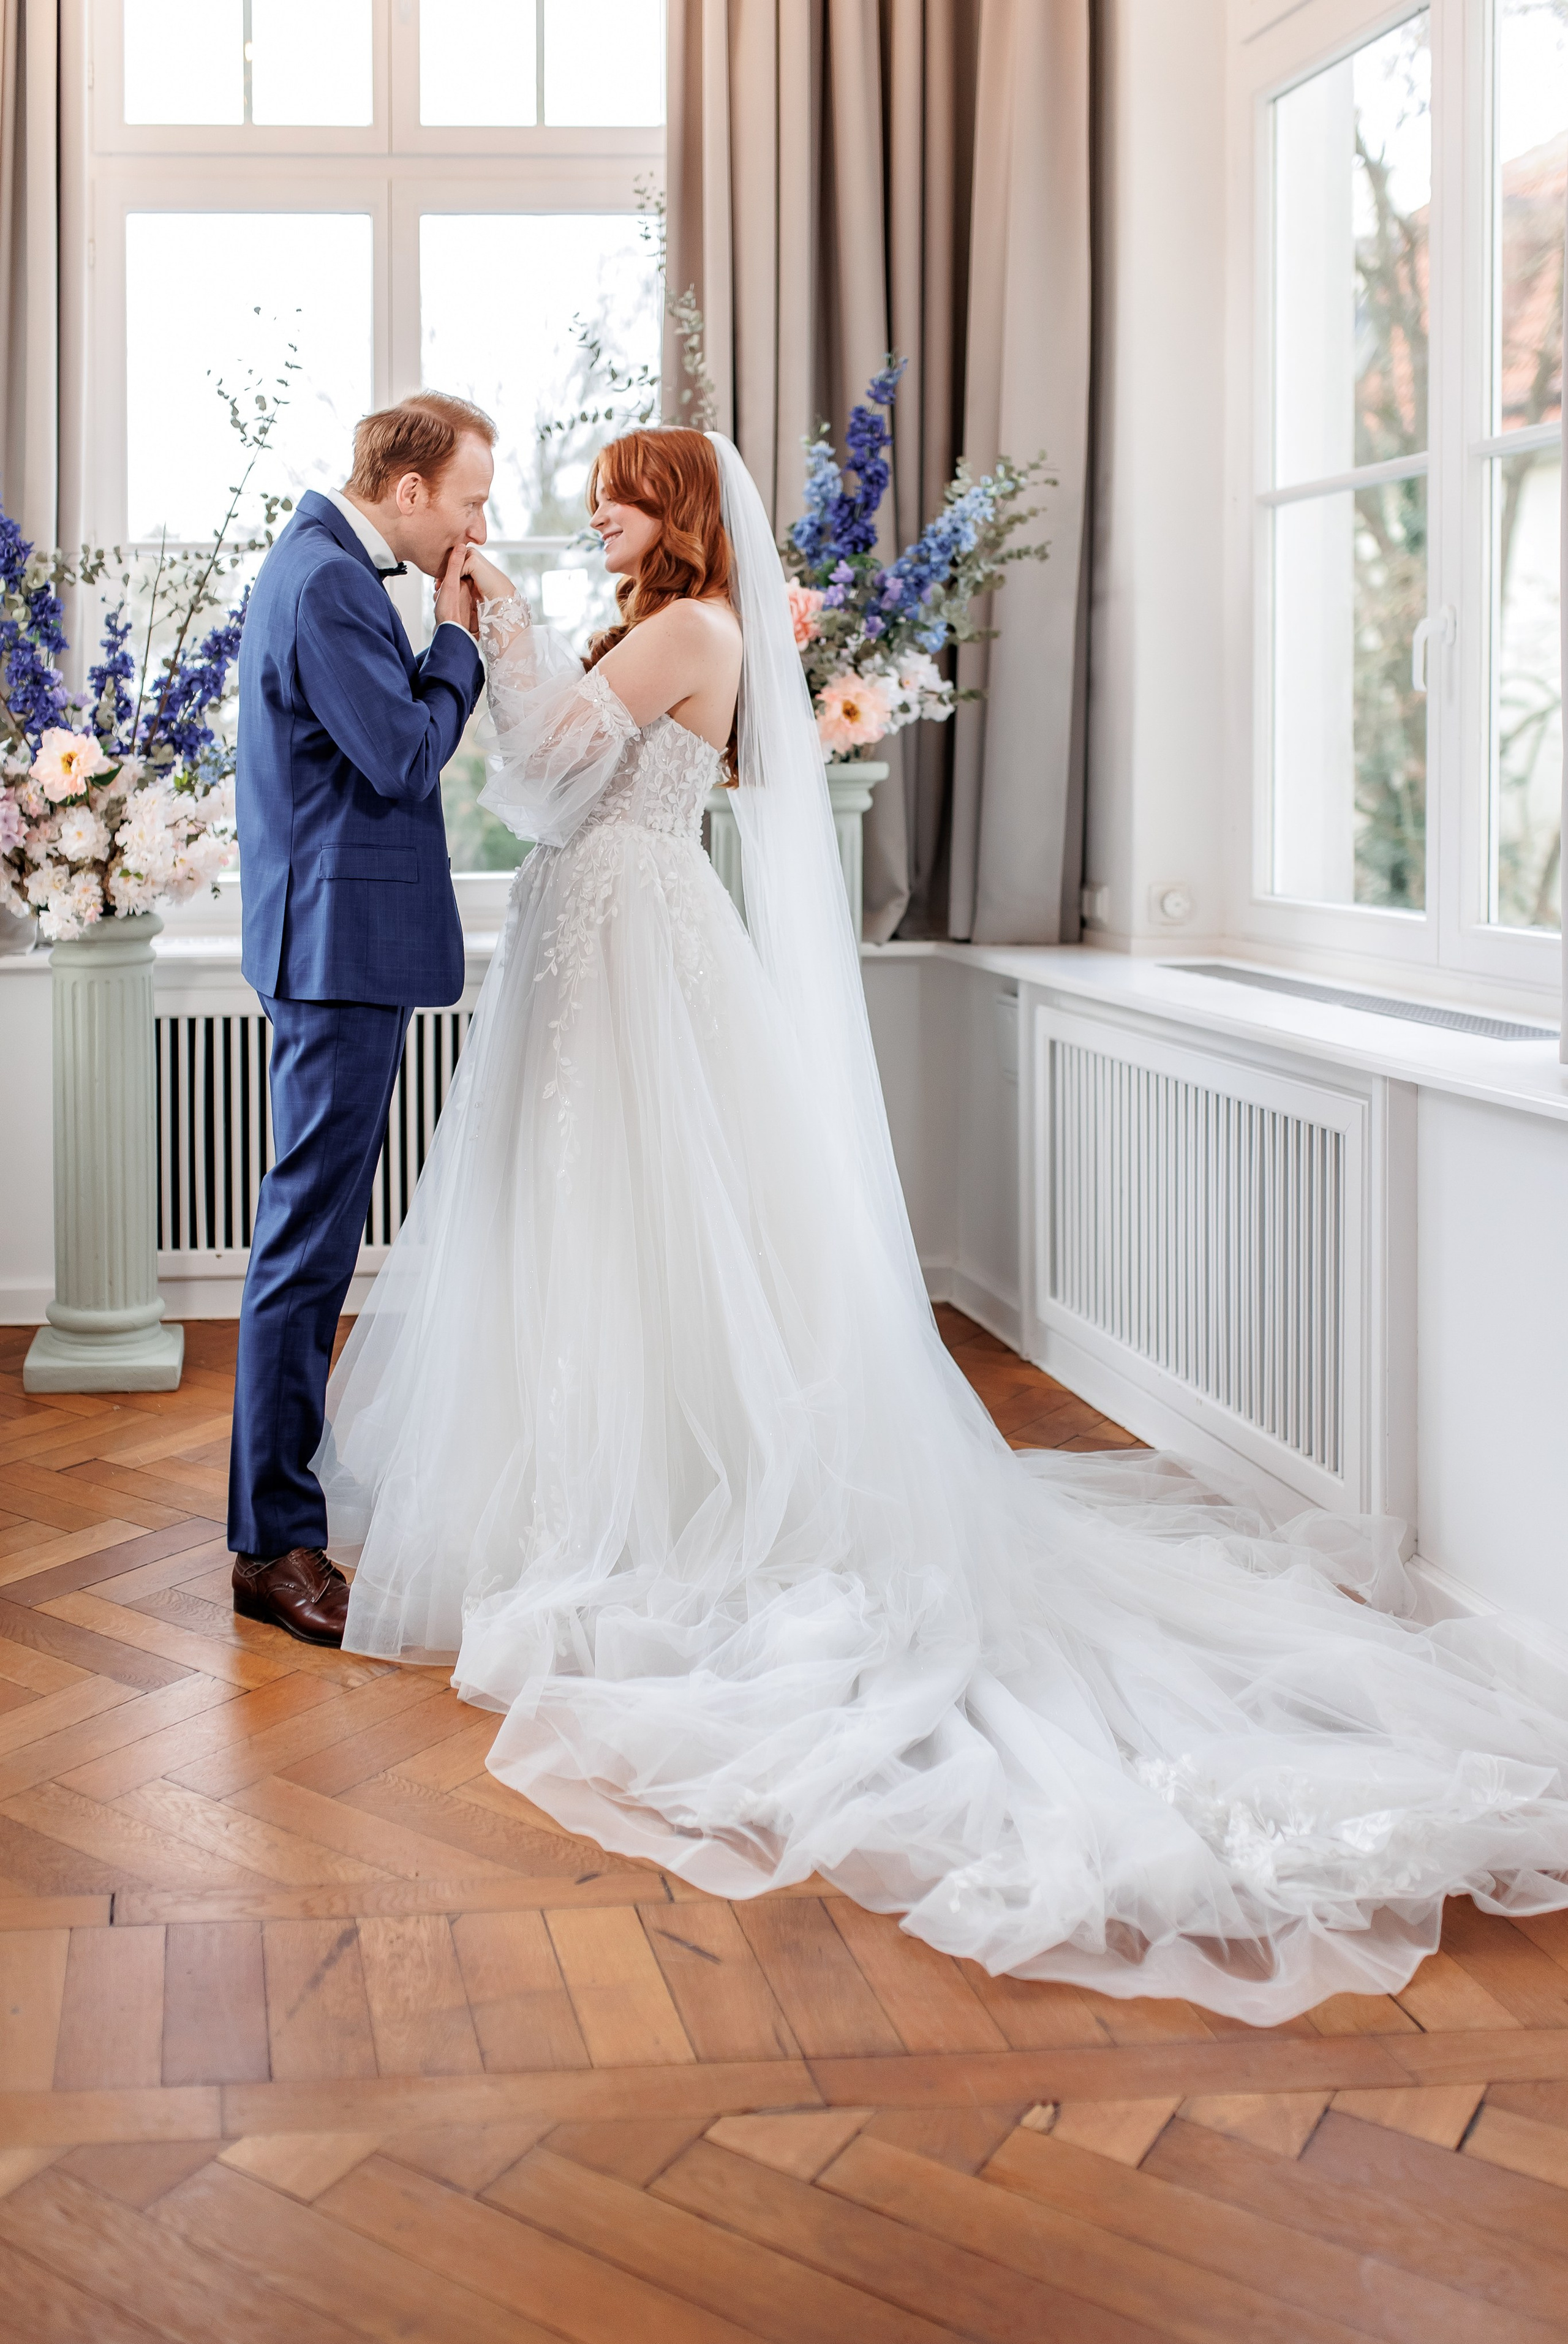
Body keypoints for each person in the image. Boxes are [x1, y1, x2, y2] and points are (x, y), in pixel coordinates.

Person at [318, 426, 1568, 2024]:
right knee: (584, 1219)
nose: (596, 520)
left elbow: (557, 758)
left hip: (637, 938)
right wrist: (520, 637)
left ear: (678, 511)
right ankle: (589, 1471)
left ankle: (665, 1491)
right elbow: (559, 771)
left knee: (652, 1210)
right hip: (596, 931)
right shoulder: (674, 623)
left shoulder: (696, 628)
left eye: (616, 500)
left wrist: (488, 621)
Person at [227, 393, 493, 1645]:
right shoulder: (329, 579)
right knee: (306, 1250)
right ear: (404, 486)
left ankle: (276, 1519)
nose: (477, 524)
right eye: (470, 500)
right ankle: (275, 1545)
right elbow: (399, 759)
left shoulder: (323, 564)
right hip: (335, 952)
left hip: (336, 944)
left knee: (311, 1242)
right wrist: (456, 642)